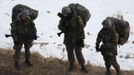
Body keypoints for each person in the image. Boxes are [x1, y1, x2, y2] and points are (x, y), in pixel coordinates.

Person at [58, 6, 88, 73]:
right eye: (64, 14)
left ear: (69, 12)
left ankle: (82, 66)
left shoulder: (77, 17)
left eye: (66, 13)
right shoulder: (63, 19)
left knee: (78, 53)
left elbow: (81, 27)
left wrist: (74, 33)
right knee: (70, 53)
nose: (64, 15)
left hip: (77, 38)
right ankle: (71, 65)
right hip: (68, 38)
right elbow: (59, 26)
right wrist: (64, 29)